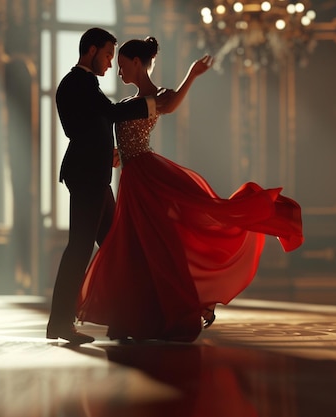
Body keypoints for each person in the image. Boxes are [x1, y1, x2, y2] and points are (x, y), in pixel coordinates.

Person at [76, 37, 304, 343]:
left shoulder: (158, 96)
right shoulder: (129, 104)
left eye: (121, 65)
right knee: (140, 247)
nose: (118, 72)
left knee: (155, 245)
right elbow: (130, 134)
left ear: (135, 63)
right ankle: (135, 317)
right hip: (132, 176)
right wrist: (120, 154)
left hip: (146, 177)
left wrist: (192, 76)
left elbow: (169, 105)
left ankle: (168, 310)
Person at [46, 28, 172, 344]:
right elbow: (109, 114)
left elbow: (93, 125)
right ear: (90, 51)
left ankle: (124, 320)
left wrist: (108, 151)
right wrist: (152, 104)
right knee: (80, 247)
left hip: (94, 175)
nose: (109, 64)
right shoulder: (79, 83)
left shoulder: (84, 85)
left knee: (115, 247)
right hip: (88, 176)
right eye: (106, 56)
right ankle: (61, 322)